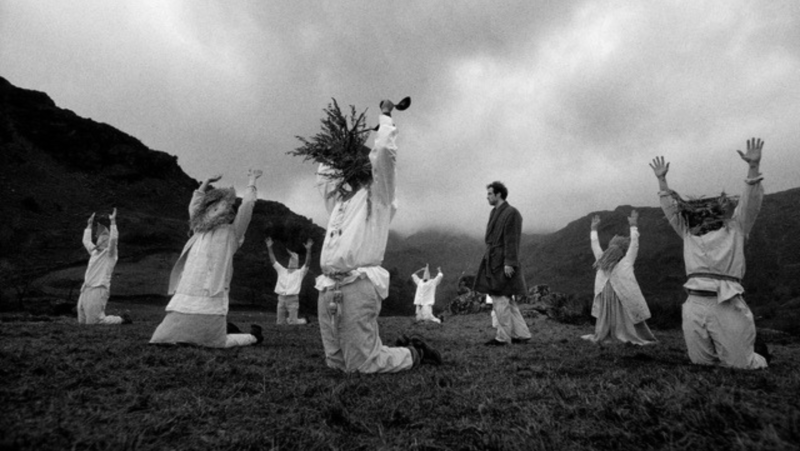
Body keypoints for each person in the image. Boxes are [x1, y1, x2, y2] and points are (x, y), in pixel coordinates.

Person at [311, 98, 441, 372]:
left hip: (357, 285)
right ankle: (387, 349)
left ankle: (415, 353)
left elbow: (384, 154)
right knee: (336, 363)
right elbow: (324, 179)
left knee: (362, 365)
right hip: (328, 287)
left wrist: (385, 116)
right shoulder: (339, 202)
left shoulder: (378, 195)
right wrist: (334, 146)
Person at [650, 137, 769, 368]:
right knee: (701, 362)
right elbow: (671, 212)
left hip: (726, 300)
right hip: (695, 301)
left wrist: (753, 167)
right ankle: (734, 348)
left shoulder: (735, 228)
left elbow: (750, 203)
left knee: (740, 365)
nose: (704, 216)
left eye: (710, 212)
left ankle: (758, 353)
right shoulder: (689, 233)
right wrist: (662, 181)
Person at [150, 170, 264, 348]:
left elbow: (247, 206)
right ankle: (227, 329)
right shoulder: (199, 230)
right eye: (212, 207)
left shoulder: (233, 233)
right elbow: (195, 207)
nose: (214, 210)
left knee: (214, 343)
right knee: (164, 338)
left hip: (212, 292)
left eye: (221, 207)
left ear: (230, 213)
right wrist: (206, 182)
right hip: (187, 290)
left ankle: (253, 337)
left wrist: (252, 180)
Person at [581, 211, 657, 345]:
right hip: (616, 294)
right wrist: (633, 226)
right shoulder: (620, 261)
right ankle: (619, 333)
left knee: (616, 314)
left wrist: (594, 229)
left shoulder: (604, 261)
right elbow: (634, 245)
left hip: (613, 294)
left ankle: (613, 333)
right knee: (622, 314)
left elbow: (595, 245)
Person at [474, 181, 532, 345]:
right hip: (493, 258)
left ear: (498, 194)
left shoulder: (511, 213)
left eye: (490, 194)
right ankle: (522, 334)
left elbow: (512, 239)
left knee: (500, 298)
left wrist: (509, 262)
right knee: (506, 298)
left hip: (503, 261)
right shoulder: (495, 212)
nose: (487, 197)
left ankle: (503, 337)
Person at [77, 208, 131, 325]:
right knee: (82, 320)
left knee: (95, 321)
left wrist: (113, 222)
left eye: (105, 239)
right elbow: (86, 241)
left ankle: (122, 320)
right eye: (101, 239)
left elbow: (114, 240)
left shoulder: (110, 255)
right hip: (86, 288)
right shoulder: (94, 252)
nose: (102, 241)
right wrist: (89, 225)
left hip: (99, 288)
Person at [266, 237, 312, 325]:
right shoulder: (282, 270)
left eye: (293, 260)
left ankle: (304, 320)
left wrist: (308, 250)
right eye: (291, 260)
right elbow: (273, 261)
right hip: (281, 298)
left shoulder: (299, 273)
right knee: (280, 323)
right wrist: (269, 248)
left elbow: (307, 263)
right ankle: (288, 319)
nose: (291, 262)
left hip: (292, 299)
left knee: (293, 323)